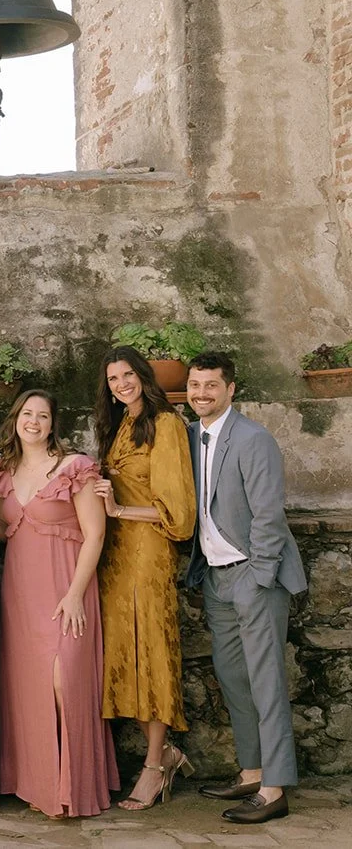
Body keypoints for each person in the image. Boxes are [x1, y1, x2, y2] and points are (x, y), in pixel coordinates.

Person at [184, 352, 306, 825]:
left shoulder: (254, 439)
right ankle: (252, 771)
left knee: (266, 681)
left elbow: (269, 516)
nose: (201, 393)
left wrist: (259, 577)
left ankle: (275, 789)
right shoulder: (188, 436)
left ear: (230, 389)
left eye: (211, 385)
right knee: (234, 679)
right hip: (215, 578)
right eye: (195, 385)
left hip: (254, 575)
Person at [0, 389, 117, 818]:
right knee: (30, 687)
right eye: (27, 414)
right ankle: (39, 785)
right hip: (21, 593)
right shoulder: (4, 472)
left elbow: (95, 534)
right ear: (16, 419)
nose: (34, 422)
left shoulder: (74, 467)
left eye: (42, 416)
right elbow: (2, 529)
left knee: (65, 682)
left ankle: (74, 787)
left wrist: (76, 593)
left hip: (66, 589)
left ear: (52, 423)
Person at [90, 346, 197, 810]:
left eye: (128, 374)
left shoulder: (166, 424)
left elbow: (180, 515)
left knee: (151, 653)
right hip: (114, 557)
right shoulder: (118, 425)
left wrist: (118, 509)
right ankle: (165, 753)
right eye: (113, 379)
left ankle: (155, 765)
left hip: (148, 554)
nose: (122, 384)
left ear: (144, 375)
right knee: (122, 657)